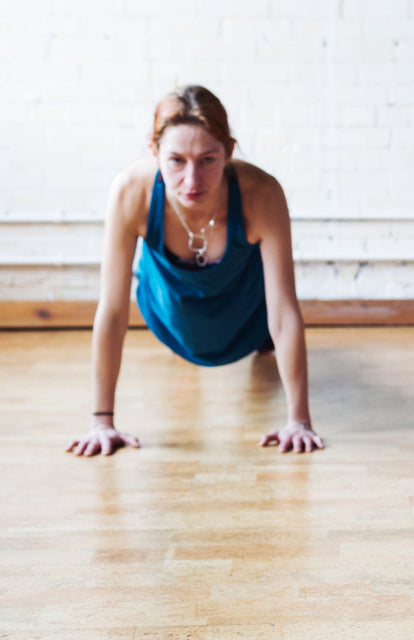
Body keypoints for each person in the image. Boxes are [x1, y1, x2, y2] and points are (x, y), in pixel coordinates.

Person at [67, 85, 324, 456]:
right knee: (179, 322)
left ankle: (257, 343)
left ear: (229, 152)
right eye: (176, 161)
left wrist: (298, 421)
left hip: (247, 312)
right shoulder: (130, 191)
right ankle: (187, 342)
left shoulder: (262, 193)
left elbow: (283, 309)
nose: (192, 180)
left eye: (207, 160)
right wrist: (101, 421)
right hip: (170, 312)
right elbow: (111, 309)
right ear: (154, 152)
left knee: (267, 331)